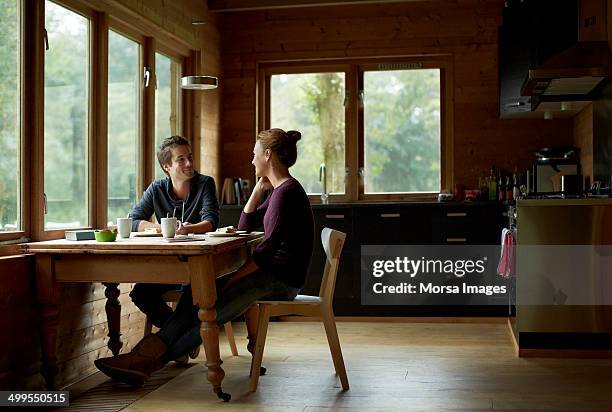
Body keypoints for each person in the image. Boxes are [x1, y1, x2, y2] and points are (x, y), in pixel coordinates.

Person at [95, 128, 314, 386]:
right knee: (196, 295)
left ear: (267, 155)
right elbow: (244, 226)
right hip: (269, 274)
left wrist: (231, 281)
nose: (251, 159)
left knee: (209, 313)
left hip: (280, 281)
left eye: (254, 154)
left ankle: (145, 363)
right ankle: (140, 359)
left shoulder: (286, 193)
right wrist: (257, 191)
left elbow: (264, 256)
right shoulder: (280, 190)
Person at [128, 135, 219, 330]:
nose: (189, 163)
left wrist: (187, 229)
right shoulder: (157, 188)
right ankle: (183, 337)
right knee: (140, 293)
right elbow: (134, 220)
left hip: (197, 267)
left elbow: (211, 222)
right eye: (181, 159)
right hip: (167, 265)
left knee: (192, 292)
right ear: (166, 167)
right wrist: (163, 228)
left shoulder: (205, 184)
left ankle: (175, 340)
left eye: (190, 157)